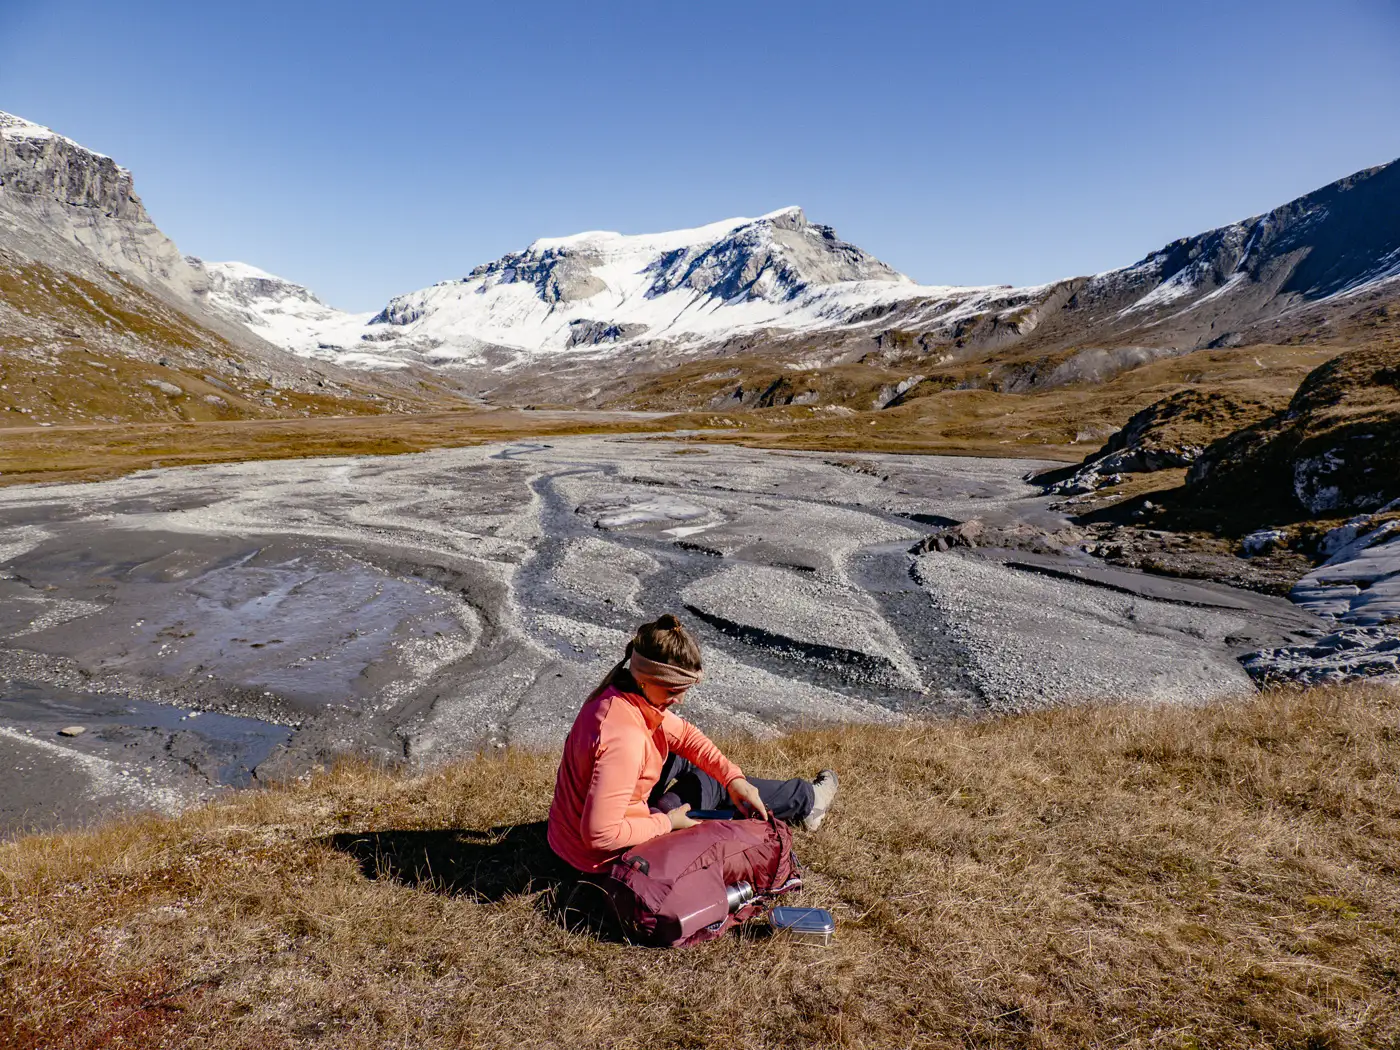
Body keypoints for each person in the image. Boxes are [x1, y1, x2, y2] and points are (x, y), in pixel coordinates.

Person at [547, 613, 839, 875]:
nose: (680, 700)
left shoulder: (620, 696)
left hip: (566, 842)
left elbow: (686, 736)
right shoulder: (626, 739)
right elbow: (600, 835)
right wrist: (667, 822)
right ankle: (807, 802)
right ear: (647, 679)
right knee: (709, 782)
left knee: (692, 761)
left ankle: (785, 797)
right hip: (603, 861)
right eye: (673, 690)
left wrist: (734, 778)